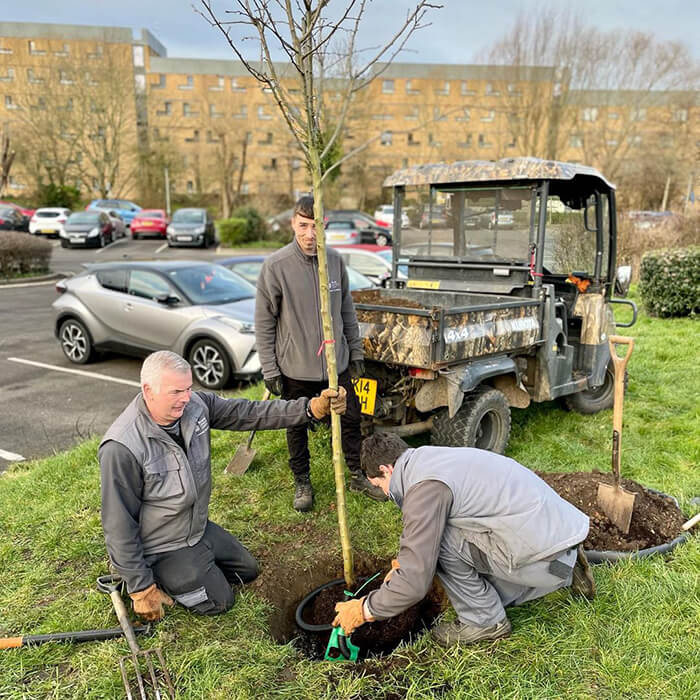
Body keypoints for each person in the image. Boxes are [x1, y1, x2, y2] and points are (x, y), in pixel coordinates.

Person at [99, 350, 346, 621]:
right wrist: (141, 588)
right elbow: (118, 523)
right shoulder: (123, 447)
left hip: (195, 528)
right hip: (160, 545)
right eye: (176, 392)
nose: (186, 398)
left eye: (189, 388)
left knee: (247, 570)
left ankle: (193, 563)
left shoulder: (195, 406)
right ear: (148, 390)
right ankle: (155, 573)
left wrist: (309, 409)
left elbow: (248, 413)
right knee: (220, 601)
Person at [332, 433, 596, 647]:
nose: (385, 494)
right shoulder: (429, 459)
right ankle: (569, 567)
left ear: (386, 470)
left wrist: (364, 610)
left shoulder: (424, 489)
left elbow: (415, 582)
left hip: (543, 558)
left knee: (438, 547)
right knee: (436, 541)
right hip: (556, 538)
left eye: (379, 486)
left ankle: (485, 621)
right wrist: (403, 563)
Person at [255, 194, 386, 511]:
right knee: (296, 426)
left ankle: (355, 474)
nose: (310, 235)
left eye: (317, 227)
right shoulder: (276, 267)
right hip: (295, 368)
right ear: (293, 224)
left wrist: (355, 353)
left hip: (335, 366)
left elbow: (346, 313)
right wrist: (271, 370)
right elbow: (264, 322)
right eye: (303, 226)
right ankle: (302, 480)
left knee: (350, 419)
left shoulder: (335, 262)